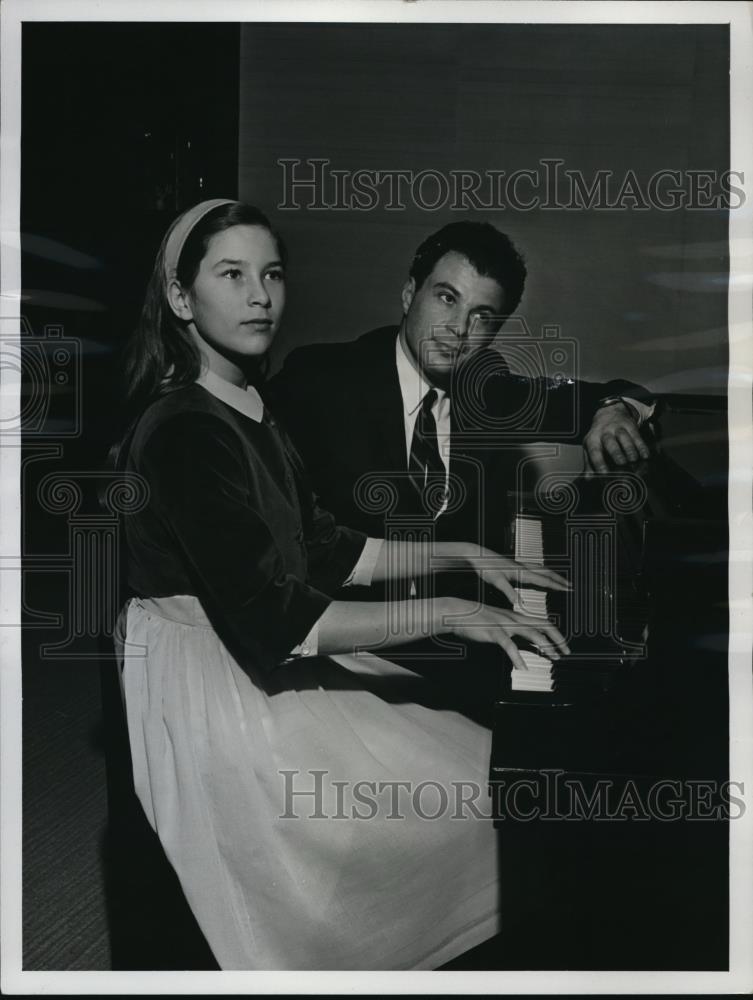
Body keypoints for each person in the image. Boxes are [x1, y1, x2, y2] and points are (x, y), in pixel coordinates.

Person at [113, 199, 572, 971]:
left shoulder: (246, 404)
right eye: (232, 275)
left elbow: (323, 547)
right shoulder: (186, 432)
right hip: (210, 686)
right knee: (434, 811)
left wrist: (464, 554)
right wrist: (457, 611)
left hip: (255, 648)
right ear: (182, 299)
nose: (260, 295)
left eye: (272, 273)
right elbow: (279, 616)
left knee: (478, 771)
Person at [266, 220, 654, 561]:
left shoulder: (487, 390)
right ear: (408, 294)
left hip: (458, 623)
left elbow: (608, 394)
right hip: (352, 628)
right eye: (447, 298)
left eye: (481, 317)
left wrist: (614, 408)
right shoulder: (322, 380)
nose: (458, 328)